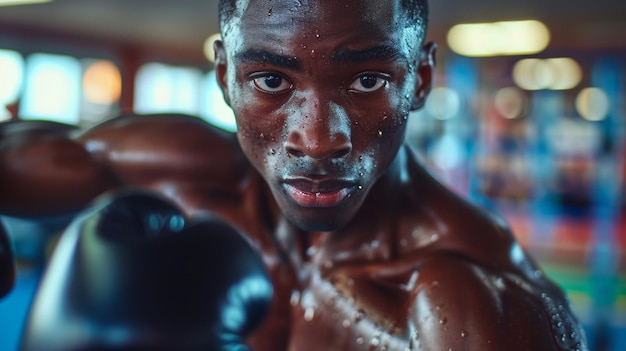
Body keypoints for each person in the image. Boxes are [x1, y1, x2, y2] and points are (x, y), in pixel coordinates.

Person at [0, 0, 587, 350]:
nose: (318, 139)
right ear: (225, 76)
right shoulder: (180, 171)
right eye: (272, 82)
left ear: (421, 79)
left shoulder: (468, 302)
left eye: (367, 81)